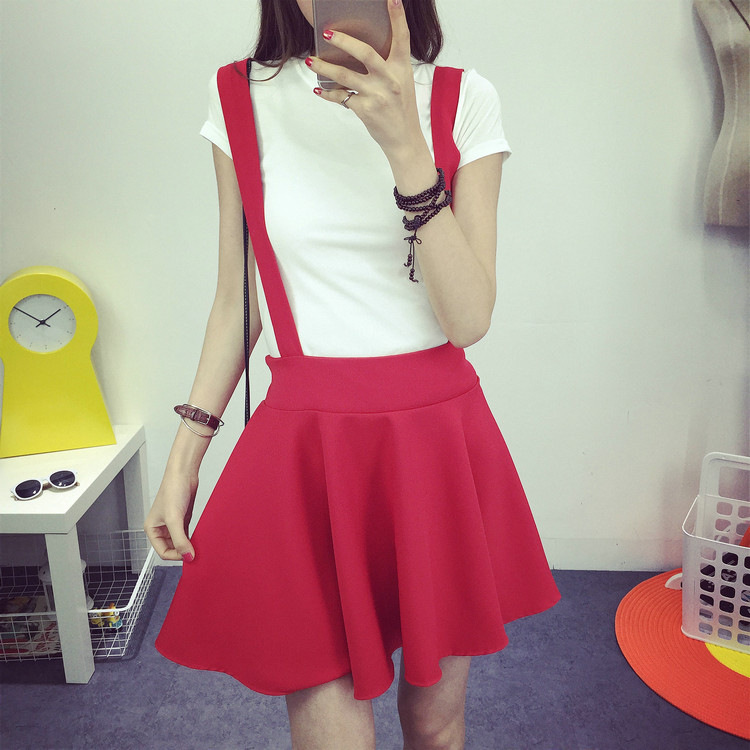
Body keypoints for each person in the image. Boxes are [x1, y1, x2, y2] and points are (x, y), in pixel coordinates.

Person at [145, 1, 560, 748]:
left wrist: (405, 146)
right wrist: (184, 460)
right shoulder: (239, 94)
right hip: (308, 449)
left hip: (435, 443)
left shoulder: (464, 97)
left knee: (436, 728)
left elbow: (468, 319)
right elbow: (239, 300)